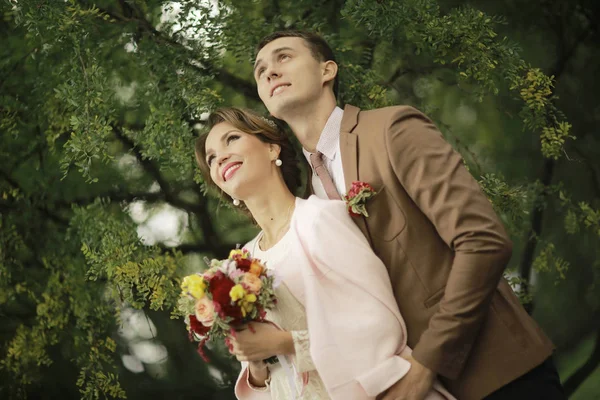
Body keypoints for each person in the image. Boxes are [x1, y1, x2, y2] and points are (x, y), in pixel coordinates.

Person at [250, 30, 565, 400]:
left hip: (496, 371)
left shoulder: (391, 129)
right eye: (260, 71)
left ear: (327, 70)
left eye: (284, 57)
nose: (269, 72)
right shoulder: (308, 203)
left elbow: (483, 241)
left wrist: (426, 366)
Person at [195, 107, 456, 400]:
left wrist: (287, 344)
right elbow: (270, 380)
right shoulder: (239, 263)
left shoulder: (319, 219)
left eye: (231, 139)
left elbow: (379, 326)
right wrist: (256, 367)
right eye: (212, 158)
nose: (221, 158)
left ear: (271, 148)